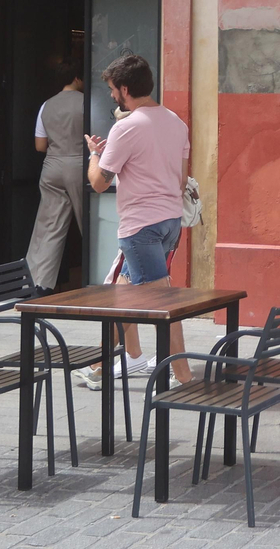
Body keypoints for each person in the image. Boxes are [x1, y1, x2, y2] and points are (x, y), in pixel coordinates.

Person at [83, 53, 194, 386]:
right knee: (123, 296)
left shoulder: (125, 127)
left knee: (164, 301)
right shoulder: (177, 123)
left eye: (114, 90)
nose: (113, 96)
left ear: (125, 89)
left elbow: (99, 182)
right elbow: (180, 180)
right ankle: (117, 361)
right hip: (171, 223)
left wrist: (95, 156)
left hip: (140, 228)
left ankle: (184, 377)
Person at [25, 62, 84, 295]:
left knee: (49, 227)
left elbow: (40, 145)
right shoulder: (87, 102)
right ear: (77, 78)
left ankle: (39, 284)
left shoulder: (46, 105)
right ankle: (104, 280)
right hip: (80, 165)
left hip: (52, 166)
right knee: (89, 223)